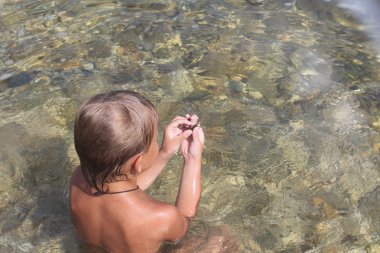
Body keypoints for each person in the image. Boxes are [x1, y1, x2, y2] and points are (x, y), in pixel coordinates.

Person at [70, 90, 204, 253]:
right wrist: (192, 159)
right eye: (155, 141)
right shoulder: (162, 217)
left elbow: (126, 186)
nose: (157, 143)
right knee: (220, 238)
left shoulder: (79, 179)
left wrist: (164, 153)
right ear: (137, 162)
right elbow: (184, 221)